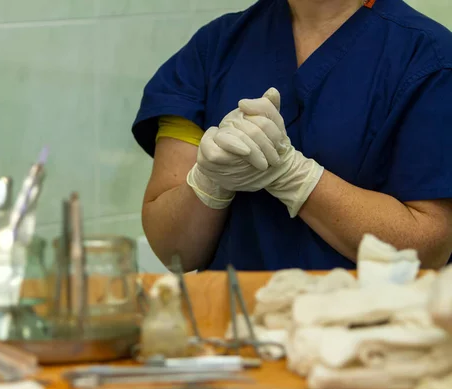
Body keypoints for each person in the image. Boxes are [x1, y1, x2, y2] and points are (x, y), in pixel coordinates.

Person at [131, 0, 452, 273]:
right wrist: (209, 182)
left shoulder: (431, 62)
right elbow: (174, 252)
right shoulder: (212, 51)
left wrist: (293, 176)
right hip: (234, 331)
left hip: (365, 334)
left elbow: (429, 249)